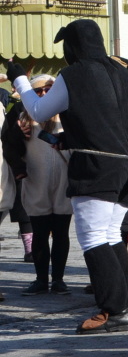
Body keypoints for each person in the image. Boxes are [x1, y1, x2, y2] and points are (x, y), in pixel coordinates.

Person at [9, 19, 128, 334]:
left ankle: (114, 310)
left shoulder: (75, 74)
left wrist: (19, 80)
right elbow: (107, 120)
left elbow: (39, 111)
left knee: (94, 237)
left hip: (98, 166)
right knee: (111, 235)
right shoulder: (121, 73)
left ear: (73, 46)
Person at [1, 75, 71, 296]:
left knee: (61, 233)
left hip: (63, 183)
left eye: (49, 90)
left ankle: (58, 279)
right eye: (38, 92)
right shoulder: (23, 116)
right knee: (40, 233)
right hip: (36, 181)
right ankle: (41, 279)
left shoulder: (68, 115)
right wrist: (17, 136)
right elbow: (8, 144)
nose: (44, 95)